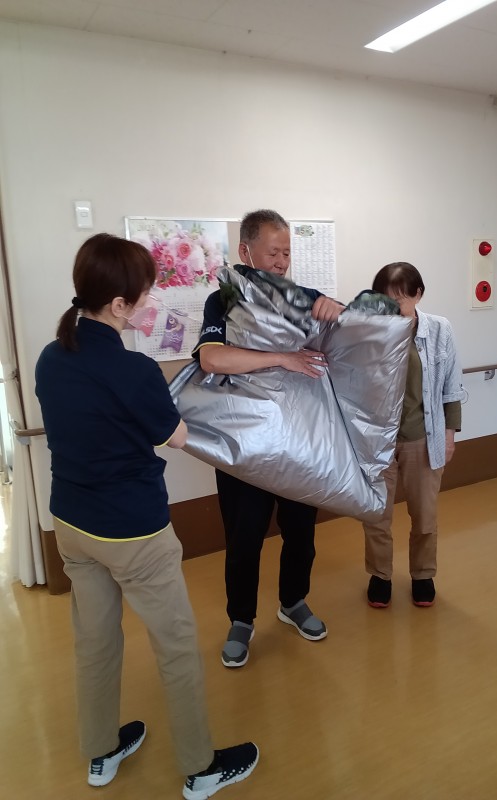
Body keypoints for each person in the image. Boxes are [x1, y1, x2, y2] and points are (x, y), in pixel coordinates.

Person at [35, 233, 259, 799]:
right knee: (176, 646)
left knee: (94, 641)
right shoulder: (132, 369)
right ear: (119, 304)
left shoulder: (51, 357)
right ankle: (200, 768)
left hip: (72, 525)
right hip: (134, 532)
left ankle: (101, 751)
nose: (150, 301)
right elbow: (176, 436)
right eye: (145, 294)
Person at [193, 209, 344, 668]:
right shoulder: (223, 301)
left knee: (301, 532)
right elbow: (212, 359)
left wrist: (338, 310)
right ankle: (241, 620)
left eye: (287, 253)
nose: (281, 262)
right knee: (244, 538)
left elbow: (349, 331)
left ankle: (293, 601)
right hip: (244, 445)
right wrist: (282, 358)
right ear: (246, 251)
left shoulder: (303, 298)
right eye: (273, 252)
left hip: (299, 441)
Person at [362, 262, 464, 609]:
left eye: (398, 301)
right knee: (376, 515)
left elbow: (451, 387)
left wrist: (449, 435)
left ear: (418, 295)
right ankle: (380, 575)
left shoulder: (439, 329)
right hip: (378, 441)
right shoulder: (368, 332)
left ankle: (423, 574)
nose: (390, 309)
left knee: (424, 515)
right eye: (383, 301)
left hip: (422, 437)